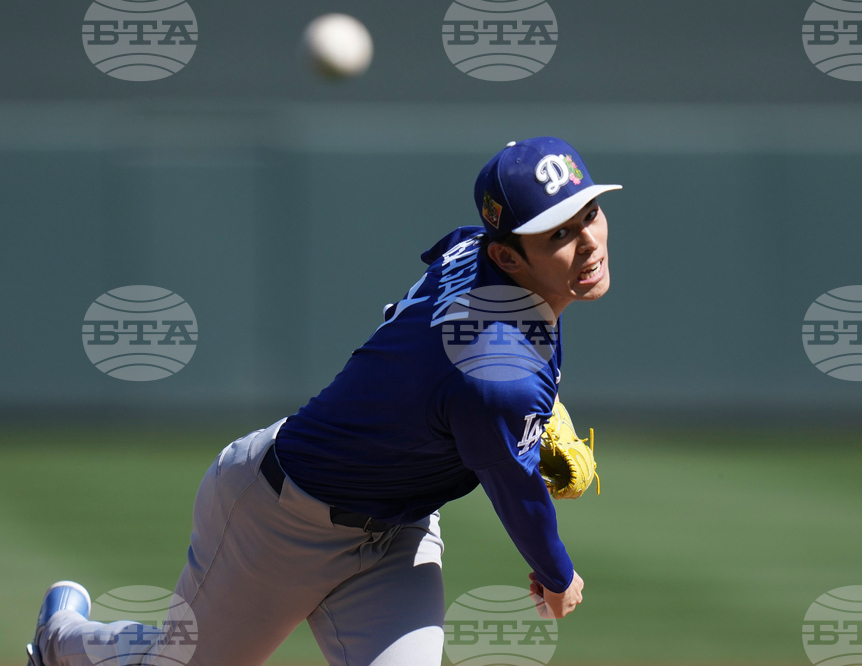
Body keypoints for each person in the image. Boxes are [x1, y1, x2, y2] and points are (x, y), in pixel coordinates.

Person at [26, 136, 621, 666]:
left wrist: (523, 416)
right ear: (508, 257)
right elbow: (514, 488)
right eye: (559, 233)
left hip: (399, 534)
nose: (588, 241)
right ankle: (64, 637)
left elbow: (447, 268)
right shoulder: (498, 375)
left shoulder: (477, 254)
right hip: (280, 517)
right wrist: (556, 574)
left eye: (589, 213)